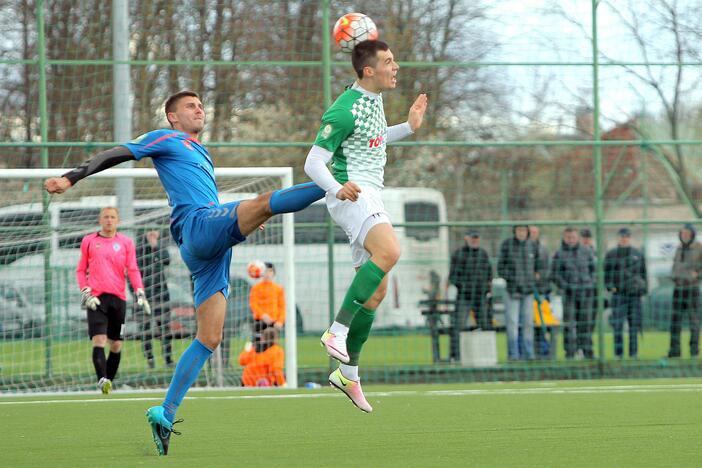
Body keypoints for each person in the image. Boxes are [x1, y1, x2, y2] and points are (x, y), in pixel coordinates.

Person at [44, 90, 326, 456]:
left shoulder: (202, 152)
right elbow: (119, 152)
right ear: (173, 116)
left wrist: (241, 220)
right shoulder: (165, 137)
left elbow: (206, 197)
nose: (200, 110)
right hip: (197, 227)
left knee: (209, 337)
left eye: (201, 105)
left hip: (211, 246)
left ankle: (165, 411)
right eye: (191, 106)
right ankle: (329, 183)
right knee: (265, 202)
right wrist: (72, 177)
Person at [304, 39, 427, 412]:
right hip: (354, 194)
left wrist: (408, 126)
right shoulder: (344, 110)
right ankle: (336, 331)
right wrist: (337, 188)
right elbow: (313, 162)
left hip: (371, 193)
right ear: (368, 70)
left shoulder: (373, 102)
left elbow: (373, 140)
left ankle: (349, 374)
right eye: (389, 61)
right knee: (390, 251)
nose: (397, 66)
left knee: (376, 294)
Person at [76, 207, 149, 394]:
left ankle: (108, 381)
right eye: (106, 217)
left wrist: (139, 290)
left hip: (118, 298)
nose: (109, 220)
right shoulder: (89, 241)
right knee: (99, 339)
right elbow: (80, 269)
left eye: (112, 217)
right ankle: (102, 379)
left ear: (118, 220)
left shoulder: (125, 242)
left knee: (116, 344)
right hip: (96, 299)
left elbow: (132, 268)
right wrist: (85, 291)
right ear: (100, 220)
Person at [551, 227, 595, 359]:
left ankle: (587, 351)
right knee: (569, 324)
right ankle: (570, 352)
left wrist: (590, 283)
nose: (571, 240)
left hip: (585, 293)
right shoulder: (559, 254)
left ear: (578, 238)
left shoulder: (586, 251)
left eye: (573, 237)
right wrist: (566, 286)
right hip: (569, 294)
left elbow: (594, 270)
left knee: (586, 324)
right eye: (568, 237)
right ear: (564, 238)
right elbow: (554, 274)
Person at [497, 225, 540, 360]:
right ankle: (513, 354)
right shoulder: (507, 245)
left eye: (524, 230)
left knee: (528, 323)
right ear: (514, 231)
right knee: (512, 323)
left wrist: (534, 277)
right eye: (519, 230)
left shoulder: (532, 245)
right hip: (512, 290)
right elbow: (501, 267)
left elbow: (539, 266)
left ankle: (529, 353)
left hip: (528, 291)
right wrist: (512, 279)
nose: (521, 233)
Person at [448, 230, 493, 360]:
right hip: (464, 296)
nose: (475, 240)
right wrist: (464, 287)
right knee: (459, 325)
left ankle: (485, 356)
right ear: (466, 238)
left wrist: (485, 288)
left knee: (484, 325)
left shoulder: (483, 254)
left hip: (480, 296)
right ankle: (455, 356)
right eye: (473, 238)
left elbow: (489, 273)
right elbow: (453, 276)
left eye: (477, 238)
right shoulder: (458, 254)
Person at [604, 227, 647, 359]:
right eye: (622, 236)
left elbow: (643, 274)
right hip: (619, 295)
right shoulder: (611, 254)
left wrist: (643, 289)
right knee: (617, 325)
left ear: (630, 238)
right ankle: (618, 353)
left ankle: (633, 353)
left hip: (634, 295)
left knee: (634, 325)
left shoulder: (638, 253)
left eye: (626, 236)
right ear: (618, 238)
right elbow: (606, 274)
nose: (624, 238)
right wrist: (610, 287)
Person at [136, 229, 173, 369]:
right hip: (144, 296)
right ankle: (150, 360)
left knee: (164, 328)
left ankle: (168, 359)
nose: (152, 233)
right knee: (145, 329)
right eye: (149, 230)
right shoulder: (138, 248)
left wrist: (155, 246)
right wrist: (137, 294)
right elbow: (133, 270)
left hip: (161, 294)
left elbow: (166, 260)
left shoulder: (160, 246)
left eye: (154, 230)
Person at [668, 224, 702, 358]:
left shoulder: (699, 248)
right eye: (682, 233)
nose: (684, 236)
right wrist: (673, 275)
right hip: (678, 288)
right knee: (675, 321)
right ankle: (674, 351)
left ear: (692, 234)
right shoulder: (678, 248)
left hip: (692, 288)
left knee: (694, 320)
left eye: (687, 233)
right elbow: (675, 265)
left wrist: (697, 276)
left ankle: (694, 351)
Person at [249, 262, 285, 351]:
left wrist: (280, 321)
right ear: (261, 273)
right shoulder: (256, 288)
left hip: (274, 323)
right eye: (265, 271)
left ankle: (272, 365)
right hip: (260, 322)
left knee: (273, 348)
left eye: (270, 271)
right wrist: (263, 315)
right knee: (258, 347)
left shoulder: (278, 289)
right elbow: (253, 304)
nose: (267, 274)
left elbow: (282, 307)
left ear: (273, 273)